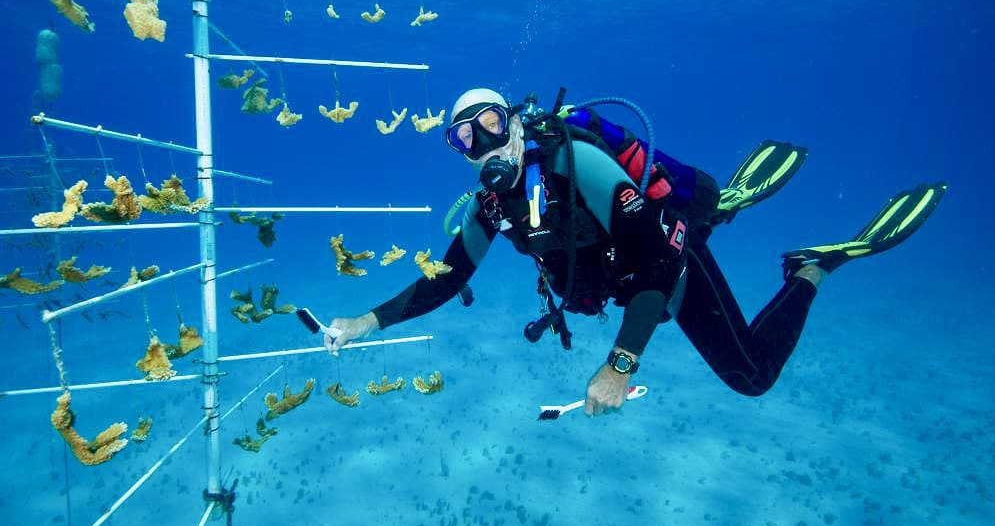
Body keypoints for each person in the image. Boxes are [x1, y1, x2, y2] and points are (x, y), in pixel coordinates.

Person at [323, 88, 946, 416]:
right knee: (665, 229)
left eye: (488, 124)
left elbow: (658, 259)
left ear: (513, 123)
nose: (480, 143)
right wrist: (363, 322)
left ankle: (806, 269)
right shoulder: (492, 207)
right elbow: (444, 278)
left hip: (663, 265)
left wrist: (621, 364)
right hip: (628, 274)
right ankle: (717, 210)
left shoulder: (573, 161)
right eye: (463, 138)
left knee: (750, 377)